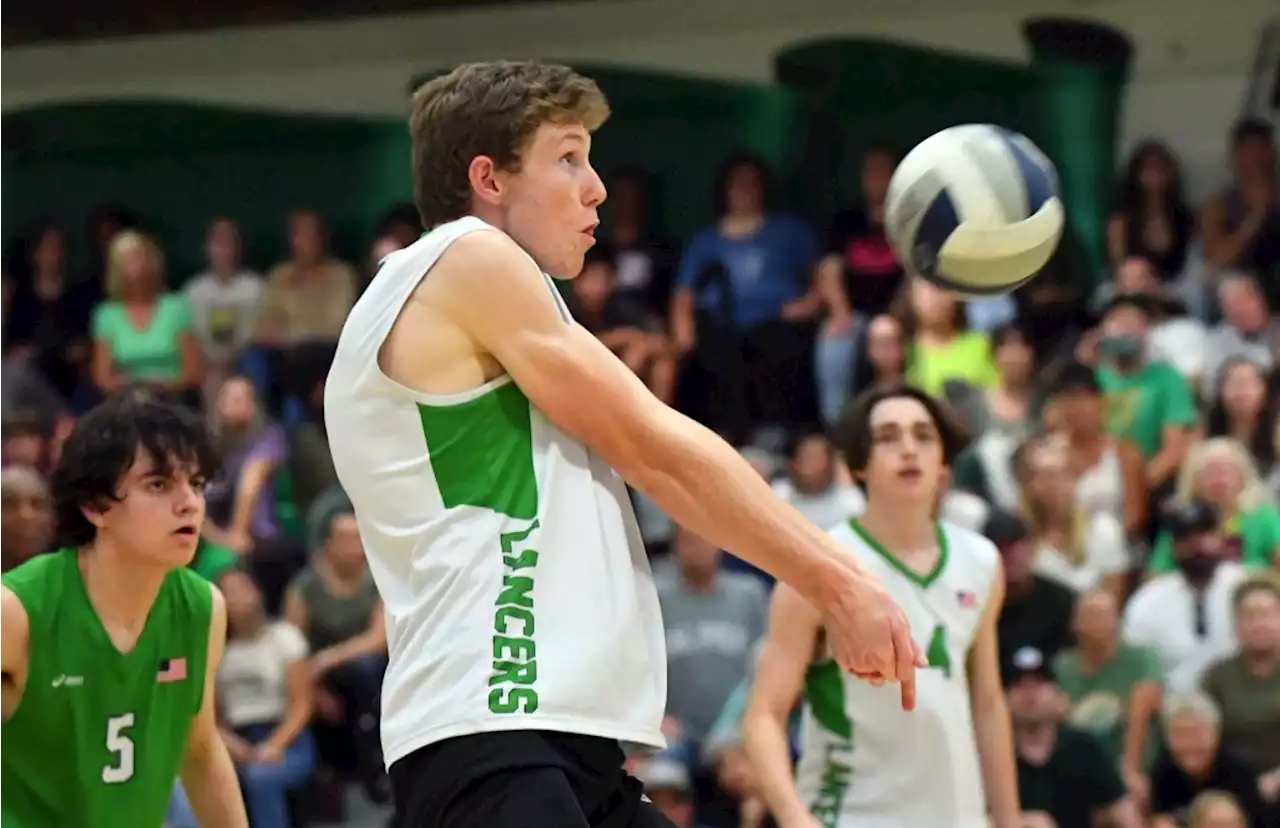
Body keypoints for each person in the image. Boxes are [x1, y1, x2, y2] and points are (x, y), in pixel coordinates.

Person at [323, 61, 922, 828]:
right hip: (492, 726)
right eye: (568, 157)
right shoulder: (465, 256)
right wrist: (837, 583)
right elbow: (655, 449)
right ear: (488, 179)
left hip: (553, 743)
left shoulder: (455, 302)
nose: (596, 186)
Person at [742, 386, 1020, 828]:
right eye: (888, 437)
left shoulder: (982, 560)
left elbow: (987, 703)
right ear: (857, 464)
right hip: (851, 815)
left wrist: (1009, 820)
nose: (909, 448)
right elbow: (764, 716)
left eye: (924, 436)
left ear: (944, 462)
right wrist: (795, 817)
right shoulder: (821, 565)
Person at [0, 391, 249, 827]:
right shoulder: (16, 611)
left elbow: (200, 750)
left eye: (196, 484)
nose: (189, 502)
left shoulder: (202, 608)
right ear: (96, 506)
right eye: (158, 484)